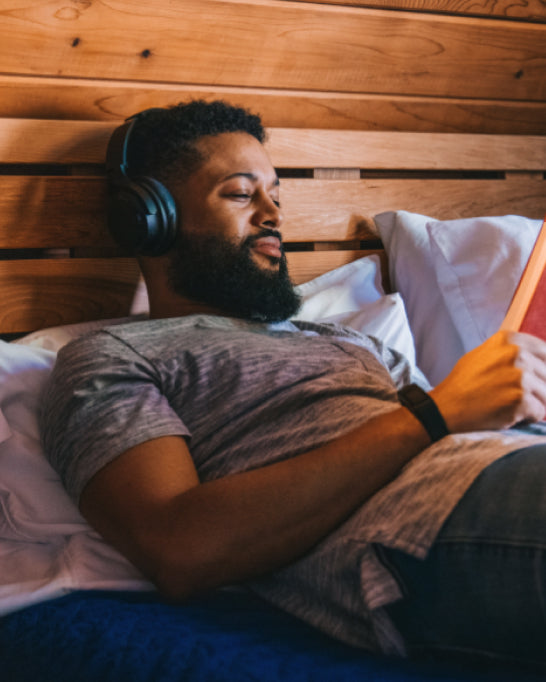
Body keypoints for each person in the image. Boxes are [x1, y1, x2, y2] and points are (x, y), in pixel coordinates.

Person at [40, 100, 546, 670]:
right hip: (423, 525)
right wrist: (432, 414)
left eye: (275, 194)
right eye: (240, 194)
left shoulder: (348, 340)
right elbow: (178, 548)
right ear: (151, 218)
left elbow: (452, 424)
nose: (273, 214)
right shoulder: (110, 357)